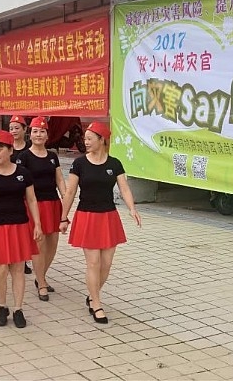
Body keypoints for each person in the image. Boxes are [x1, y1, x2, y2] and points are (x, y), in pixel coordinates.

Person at [60, 121, 141, 324]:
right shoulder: (79, 164)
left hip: (108, 216)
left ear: (101, 139)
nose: (86, 142)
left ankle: (92, 294)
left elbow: (124, 188)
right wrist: (63, 217)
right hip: (87, 216)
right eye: (85, 138)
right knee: (93, 263)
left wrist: (132, 208)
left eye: (90, 138)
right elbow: (70, 192)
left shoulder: (114, 164)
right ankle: (96, 303)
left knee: (106, 264)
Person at [0, 130, 42, 328]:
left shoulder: (23, 173)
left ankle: (18, 308)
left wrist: (37, 224)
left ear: (10, 150)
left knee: (18, 269)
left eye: (0, 149)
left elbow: (31, 200)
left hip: (19, 226)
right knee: (0, 270)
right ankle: (2, 306)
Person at [16, 117, 66, 301]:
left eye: (42, 131)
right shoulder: (24, 157)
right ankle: (42, 283)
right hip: (34, 205)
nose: (38, 135)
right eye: (35, 131)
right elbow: (20, 183)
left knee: (52, 244)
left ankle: (40, 276)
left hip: (53, 203)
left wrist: (67, 199)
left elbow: (59, 180)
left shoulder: (52, 156)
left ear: (47, 135)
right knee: (39, 244)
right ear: (30, 134)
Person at [8, 114, 33, 274]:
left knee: (25, 230)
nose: (14, 131)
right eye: (11, 128)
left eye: (17, 128)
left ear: (25, 129)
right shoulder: (5, 147)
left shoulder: (30, 148)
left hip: (27, 193)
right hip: (10, 194)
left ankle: (22, 259)